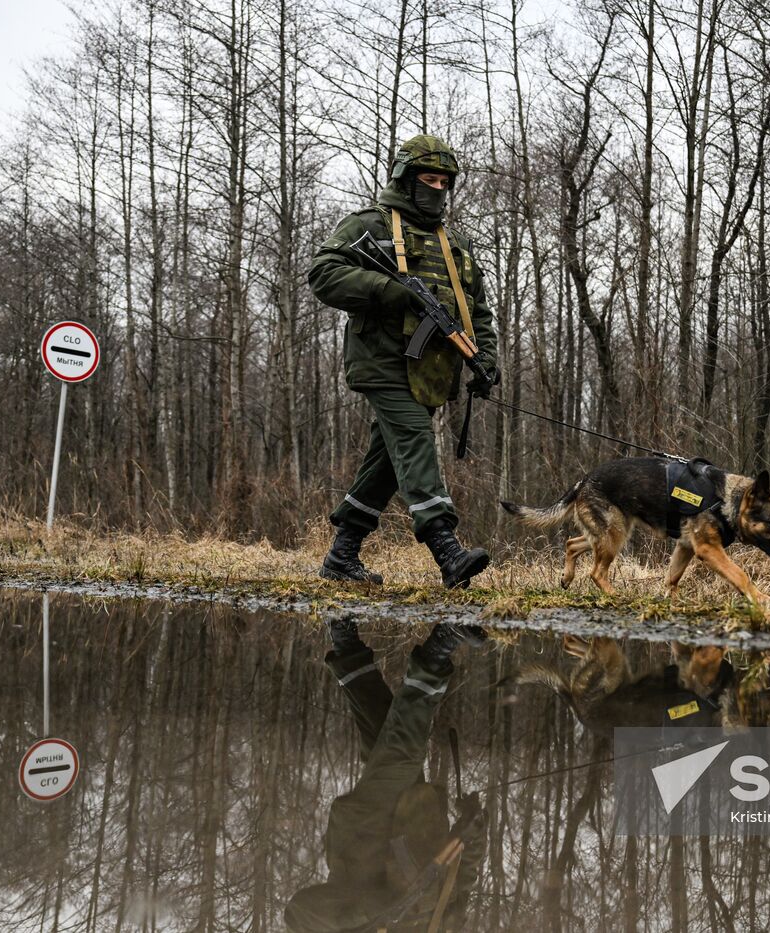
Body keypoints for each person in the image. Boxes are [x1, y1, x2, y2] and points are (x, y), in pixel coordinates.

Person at [308, 134, 499, 589]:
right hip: (382, 362)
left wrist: (485, 357)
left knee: (388, 460)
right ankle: (446, 549)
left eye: (443, 181)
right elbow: (323, 272)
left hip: (432, 370)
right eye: (427, 179)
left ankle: (342, 555)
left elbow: (477, 308)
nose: (436, 188)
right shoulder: (370, 225)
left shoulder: (454, 244)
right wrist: (387, 291)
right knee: (414, 439)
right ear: (406, 179)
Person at [285, 618, 486, 933]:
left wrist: (373, 914)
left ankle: (437, 651)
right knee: (382, 727)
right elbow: (460, 885)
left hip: (364, 831)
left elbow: (299, 913)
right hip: (413, 817)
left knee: (404, 750)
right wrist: (473, 832)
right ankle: (343, 636)